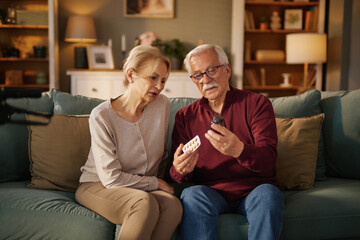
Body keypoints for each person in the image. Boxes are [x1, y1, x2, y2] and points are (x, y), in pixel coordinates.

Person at [170, 44, 284, 240]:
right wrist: (180, 169)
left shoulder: (257, 104)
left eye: (212, 70)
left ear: (227, 70)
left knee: (268, 195)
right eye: (198, 75)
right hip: (210, 191)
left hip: (255, 189)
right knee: (192, 196)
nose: (206, 79)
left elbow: (268, 161)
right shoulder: (185, 116)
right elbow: (177, 176)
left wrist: (240, 150)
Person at [76, 45, 182, 240]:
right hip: (98, 185)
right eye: (153, 77)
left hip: (138, 188)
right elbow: (111, 178)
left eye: (163, 80)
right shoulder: (102, 116)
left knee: (173, 206)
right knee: (143, 203)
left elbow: (163, 156)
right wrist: (156, 183)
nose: (159, 86)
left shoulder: (162, 105)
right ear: (131, 75)